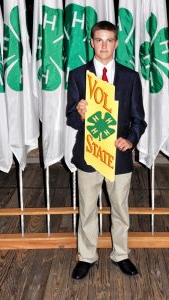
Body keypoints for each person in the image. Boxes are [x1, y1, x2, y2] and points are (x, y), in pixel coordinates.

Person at [66, 21, 147, 280]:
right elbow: (70, 116)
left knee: (120, 208)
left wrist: (131, 140)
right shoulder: (78, 75)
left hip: (118, 155)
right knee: (87, 207)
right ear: (91, 42)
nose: (103, 45)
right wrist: (79, 113)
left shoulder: (130, 77)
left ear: (116, 43)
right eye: (99, 40)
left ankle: (120, 254)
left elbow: (139, 118)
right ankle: (86, 256)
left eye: (109, 40)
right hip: (89, 154)